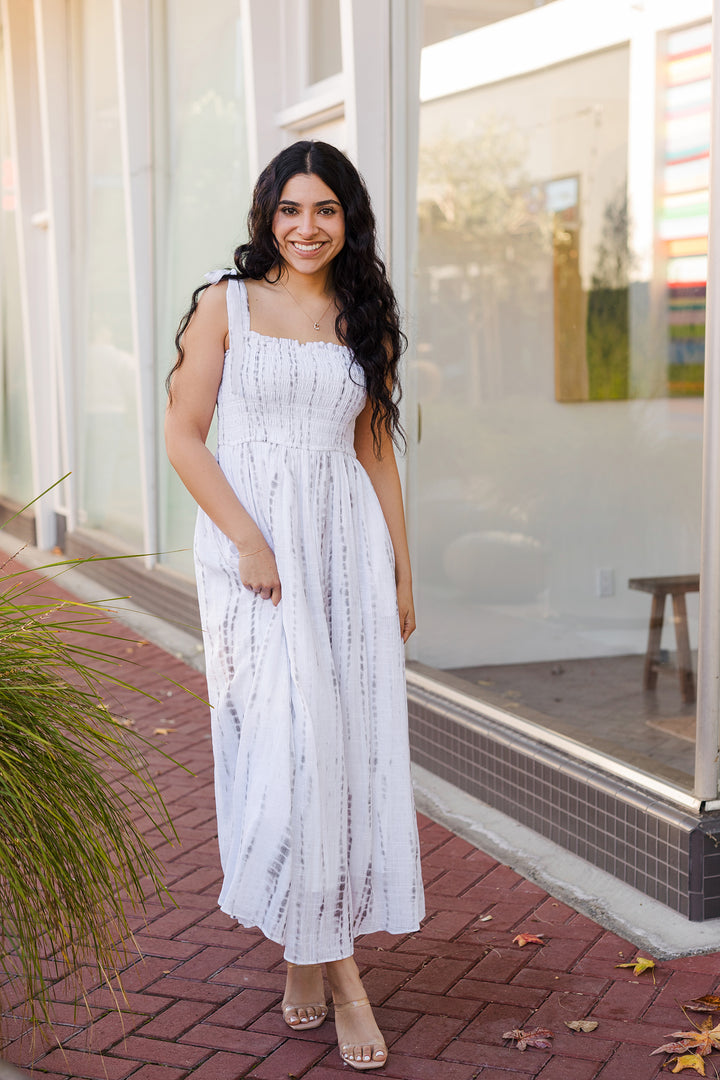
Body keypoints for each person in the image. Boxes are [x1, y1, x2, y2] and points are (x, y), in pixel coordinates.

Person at [165, 140, 425, 1071]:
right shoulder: (224, 303)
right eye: (289, 210)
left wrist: (401, 570)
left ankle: (310, 954)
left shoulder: (365, 319)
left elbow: (376, 454)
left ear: (347, 218)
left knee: (338, 749)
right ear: (266, 217)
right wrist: (248, 540)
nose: (306, 228)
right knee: (287, 746)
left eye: (325, 210)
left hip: (344, 551)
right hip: (256, 557)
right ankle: (346, 976)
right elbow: (184, 435)